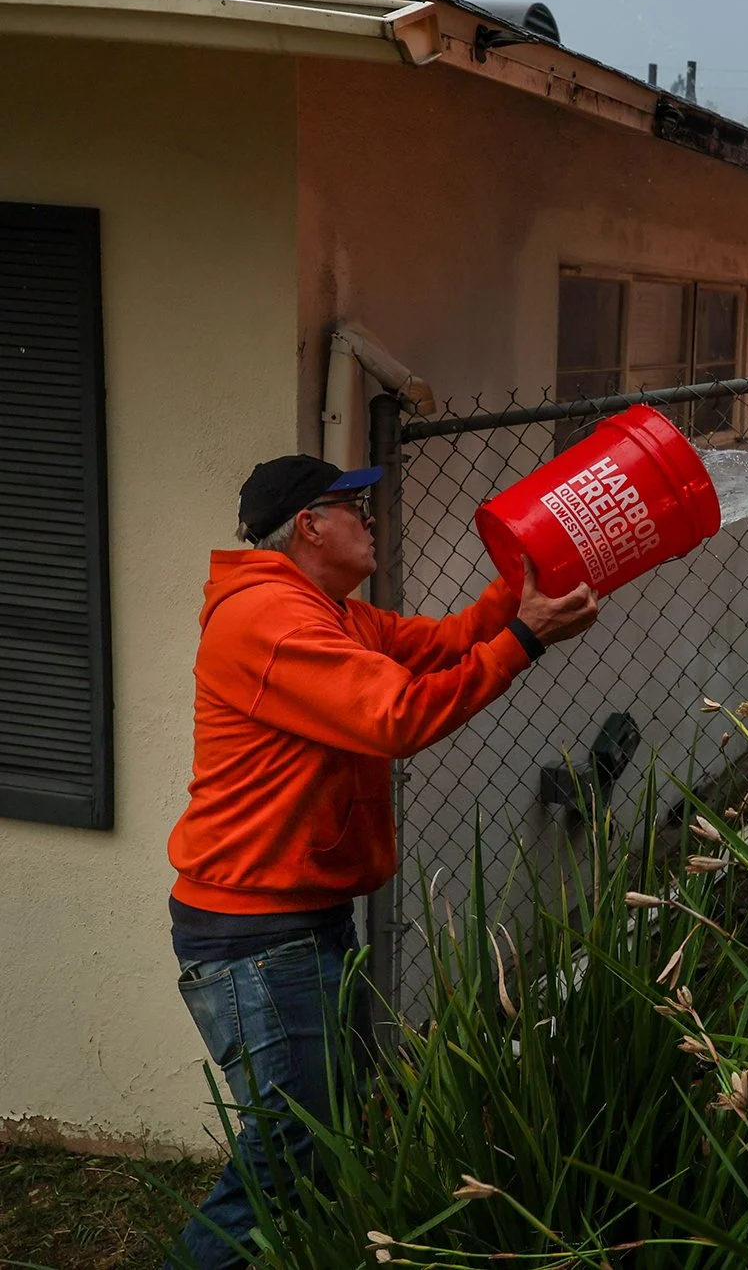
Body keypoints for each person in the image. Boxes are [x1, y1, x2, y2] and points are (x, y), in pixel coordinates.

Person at [164, 455, 599, 1268]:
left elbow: (438, 646)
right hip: (255, 933)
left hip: (293, 919)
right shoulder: (271, 619)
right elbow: (397, 714)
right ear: (309, 525)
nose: (372, 519)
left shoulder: (324, 612)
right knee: (293, 1144)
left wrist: (521, 589)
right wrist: (528, 637)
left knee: (316, 1140)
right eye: (355, 506)